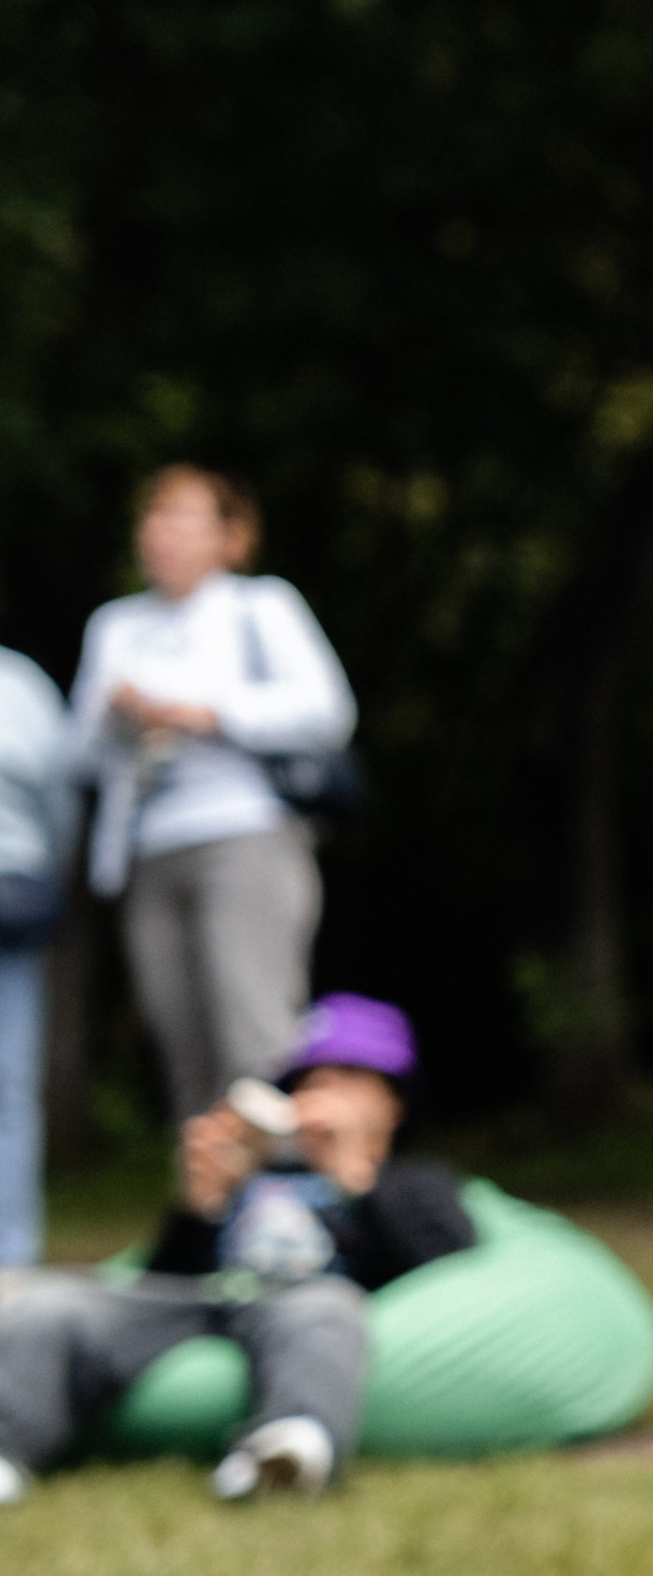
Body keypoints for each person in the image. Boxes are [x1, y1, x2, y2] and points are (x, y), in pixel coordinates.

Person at [0, 992, 470, 1506]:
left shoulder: (413, 1183)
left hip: (298, 1300)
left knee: (326, 1309)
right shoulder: (263, 1174)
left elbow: (443, 1264)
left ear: (393, 1103)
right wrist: (201, 1203)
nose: (327, 1091)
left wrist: (355, 1180)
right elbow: (160, 1276)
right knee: (55, 1304)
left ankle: (289, 1445)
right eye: (313, 1080)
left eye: (351, 1078)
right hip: (203, 1297)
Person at [72, 465, 356, 1119]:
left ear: (230, 536)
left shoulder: (260, 606)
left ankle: (280, 1206)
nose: (163, 532)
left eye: (184, 517)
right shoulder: (116, 627)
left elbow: (327, 710)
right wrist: (118, 718)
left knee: (255, 1034)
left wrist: (206, 712)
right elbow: (78, 754)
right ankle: (211, 1211)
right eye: (155, 516)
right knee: (180, 1042)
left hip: (245, 834)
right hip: (147, 846)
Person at [0, 634, 76, 1269]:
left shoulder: (21, 685)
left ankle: (10, 1257)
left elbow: (61, 802)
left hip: (9, 904)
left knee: (10, 1085)